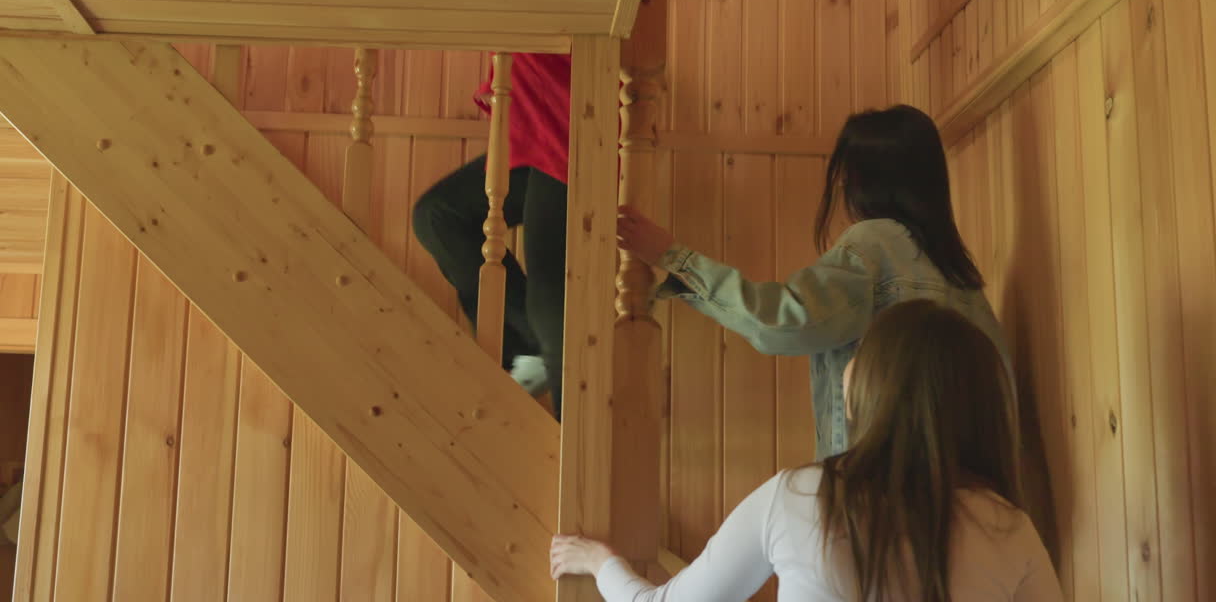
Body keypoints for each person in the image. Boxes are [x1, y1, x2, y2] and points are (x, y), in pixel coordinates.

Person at [549, 299, 1060, 602]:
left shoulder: (803, 496)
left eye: (861, 356)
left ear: (874, 389)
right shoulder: (1010, 529)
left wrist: (600, 562)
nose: (846, 369)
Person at [616, 104, 1012, 458]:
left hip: (885, 496)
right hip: (968, 502)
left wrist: (673, 257)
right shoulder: (963, 280)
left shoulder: (875, 245)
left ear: (862, 181)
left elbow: (783, 320)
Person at [412, 53, 573, 416]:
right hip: (536, 132)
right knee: (437, 216)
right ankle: (525, 348)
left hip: (574, 132)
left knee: (550, 305)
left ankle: (573, 448)